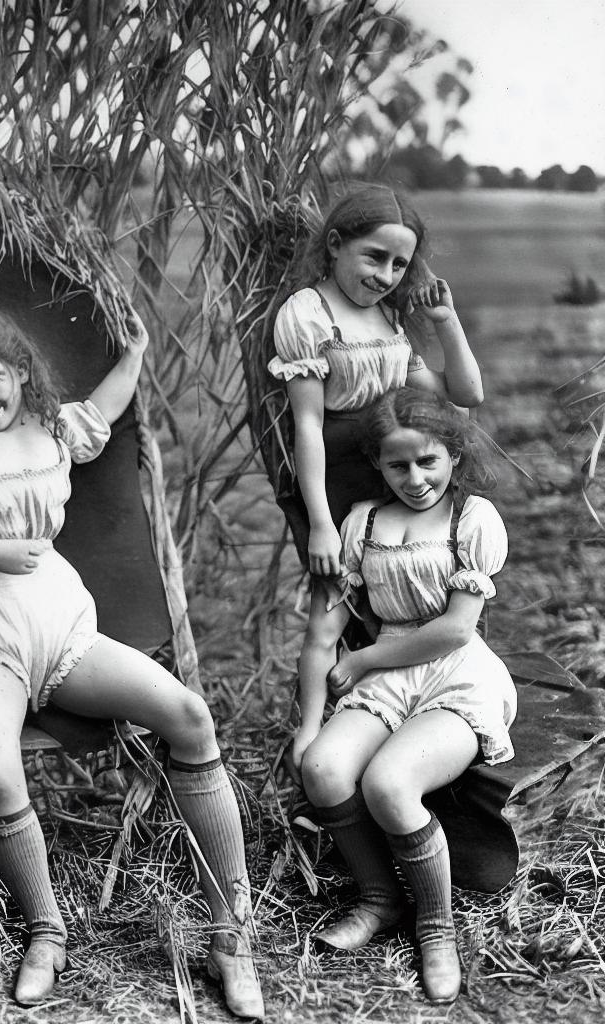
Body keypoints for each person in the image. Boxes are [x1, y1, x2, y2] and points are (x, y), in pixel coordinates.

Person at [0, 307, 264, 1019]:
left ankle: (231, 934)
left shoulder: (53, 430)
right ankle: (46, 931)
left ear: (19, 372)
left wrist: (133, 349)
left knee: (190, 718)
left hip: (61, 624)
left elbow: (104, 409)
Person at [299, 386, 516, 1003]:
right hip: (390, 677)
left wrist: (365, 657)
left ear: (452, 456)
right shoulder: (363, 522)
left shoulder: (470, 517)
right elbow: (323, 633)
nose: (415, 478)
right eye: (398, 465)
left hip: (455, 671)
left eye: (429, 462)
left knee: (390, 783)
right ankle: (380, 897)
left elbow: (453, 629)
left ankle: (436, 925)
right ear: (378, 464)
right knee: (323, 767)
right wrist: (307, 724)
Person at [266, 182, 486, 784]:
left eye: (399, 263)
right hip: (334, 476)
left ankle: (424, 717)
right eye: (373, 257)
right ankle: (313, 731)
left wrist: (445, 321)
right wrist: (318, 522)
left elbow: (466, 396)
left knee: (420, 593)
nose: (386, 274)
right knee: (331, 606)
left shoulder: (391, 315)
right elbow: (307, 425)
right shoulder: (307, 314)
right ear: (335, 245)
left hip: (395, 466)